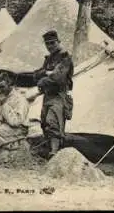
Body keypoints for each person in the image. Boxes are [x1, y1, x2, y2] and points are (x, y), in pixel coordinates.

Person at [30, 30, 74, 159]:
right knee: (44, 121)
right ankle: (50, 149)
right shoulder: (49, 59)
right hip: (48, 95)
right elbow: (35, 74)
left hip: (59, 95)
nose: (50, 46)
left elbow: (58, 78)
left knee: (53, 121)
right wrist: (45, 73)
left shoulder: (65, 57)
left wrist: (43, 78)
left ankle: (55, 152)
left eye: (52, 43)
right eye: (47, 44)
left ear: (58, 42)